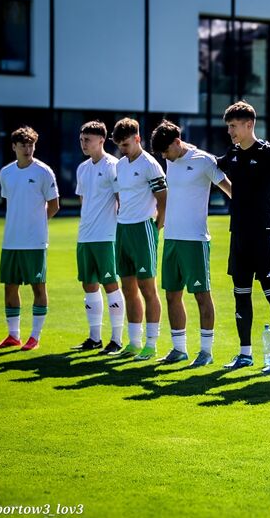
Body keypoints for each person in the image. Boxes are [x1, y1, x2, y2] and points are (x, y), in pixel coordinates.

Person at [216, 101, 270, 375]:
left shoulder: (269, 153)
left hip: (264, 234)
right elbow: (213, 166)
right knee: (241, 296)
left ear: (249, 125)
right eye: (228, 127)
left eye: (234, 126)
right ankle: (245, 354)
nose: (230, 132)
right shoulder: (233, 153)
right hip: (239, 236)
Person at [151, 120, 232, 366]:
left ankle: (206, 352)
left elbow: (230, 190)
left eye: (166, 150)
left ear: (177, 142)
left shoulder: (204, 161)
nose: (164, 156)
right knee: (172, 295)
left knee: (201, 295)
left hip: (195, 241)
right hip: (172, 239)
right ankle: (179, 349)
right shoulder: (170, 159)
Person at [0, 126, 60, 351]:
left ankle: (35, 337)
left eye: (31, 145)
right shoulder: (6, 173)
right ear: (14, 147)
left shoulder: (44, 172)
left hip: (34, 242)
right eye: (23, 145)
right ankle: (13, 336)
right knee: (10, 287)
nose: (28, 149)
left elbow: (54, 205)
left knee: (38, 288)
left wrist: (37, 224)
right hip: (10, 241)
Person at [110, 118, 167, 360]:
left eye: (125, 144)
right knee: (128, 288)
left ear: (137, 139)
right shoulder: (120, 165)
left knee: (147, 288)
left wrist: (155, 229)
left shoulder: (150, 165)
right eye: (119, 146)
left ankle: (151, 344)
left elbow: (164, 200)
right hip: (122, 229)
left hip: (143, 230)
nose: (122, 149)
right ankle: (134, 342)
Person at [71, 121, 126, 354]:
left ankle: (117, 339)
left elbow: (121, 200)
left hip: (107, 236)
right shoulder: (82, 168)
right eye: (81, 139)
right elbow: (84, 201)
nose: (83, 144)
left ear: (101, 140)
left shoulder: (113, 165)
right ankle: (94, 338)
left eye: (88, 140)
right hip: (85, 236)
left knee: (110, 284)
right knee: (89, 284)